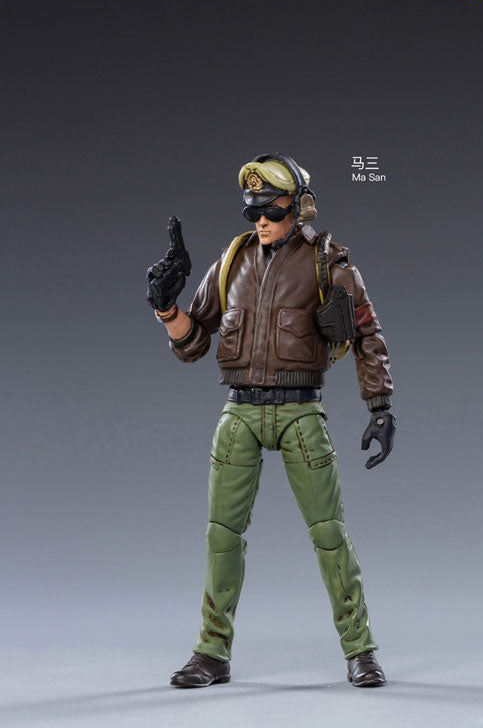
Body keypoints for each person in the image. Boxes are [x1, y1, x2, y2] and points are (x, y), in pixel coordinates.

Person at [146, 153, 396, 688]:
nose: (260, 220)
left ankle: (360, 649)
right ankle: (211, 652)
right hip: (239, 411)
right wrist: (166, 309)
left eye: (272, 210)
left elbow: (367, 336)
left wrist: (379, 406)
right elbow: (194, 344)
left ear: (298, 207)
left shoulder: (329, 265)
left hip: (300, 411)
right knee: (221, 536)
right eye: (252, 211)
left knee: (329, 534)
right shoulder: (231, 263)